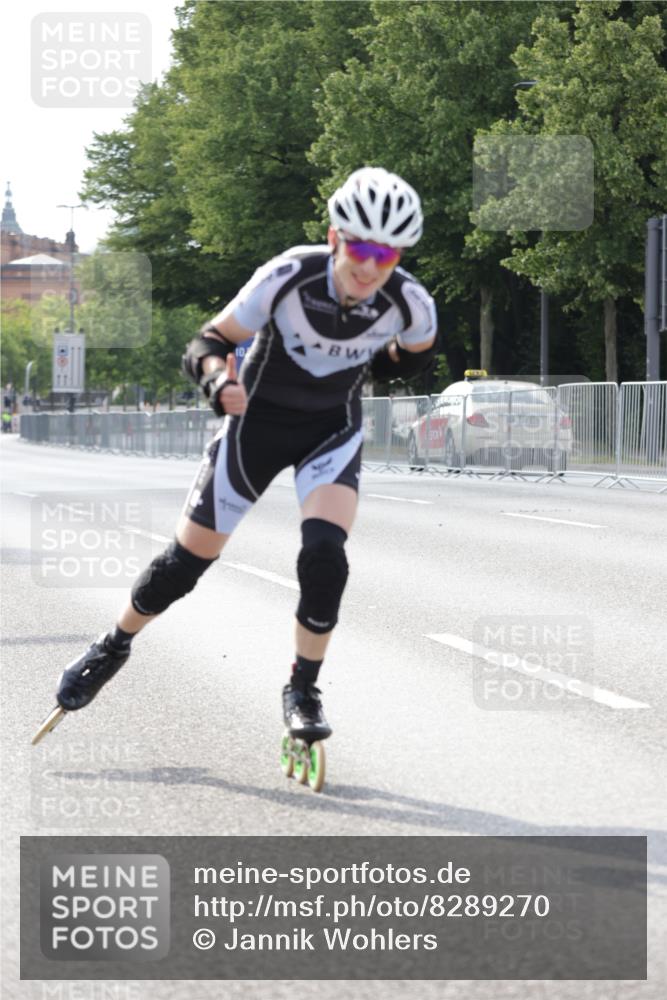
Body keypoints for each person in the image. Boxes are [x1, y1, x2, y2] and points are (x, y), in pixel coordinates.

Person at [51, 167, 438, 745]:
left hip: (329, 432)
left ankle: (302, 689)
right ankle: (114, 644)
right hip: (253, 429)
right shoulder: (287, 275)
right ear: (334, 237)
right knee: (185, 566)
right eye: (358, 246)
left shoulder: (411, 303)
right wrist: (215, 384)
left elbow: (411, 360)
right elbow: (208, 343)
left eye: (385, 254)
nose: (368, 265)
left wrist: (355, 367)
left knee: (326, 557)